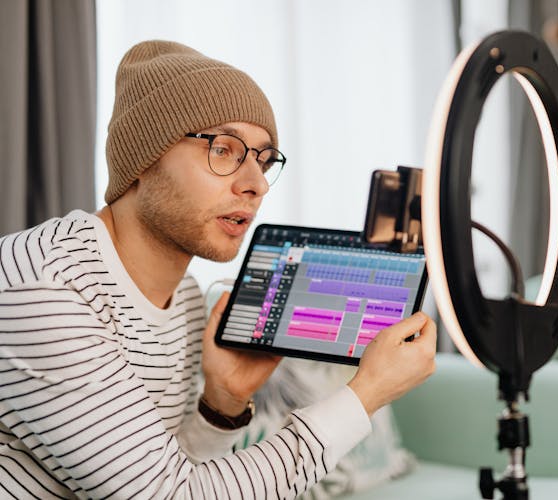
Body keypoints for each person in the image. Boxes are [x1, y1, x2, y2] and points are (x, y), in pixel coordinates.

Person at [0, 39, 436, 499]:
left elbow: (157, 475)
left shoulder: (184, 296)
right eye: (224, 150)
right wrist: (363, 395)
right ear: (143, 160)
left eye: (264, 160)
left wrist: (222, 404)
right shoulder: (44, 289)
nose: (256, 184)